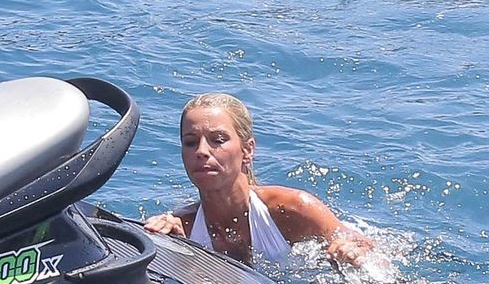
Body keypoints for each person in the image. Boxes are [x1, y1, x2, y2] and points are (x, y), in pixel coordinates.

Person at [142, 92, 376, 266]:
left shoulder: (293, 210)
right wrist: (175, 252)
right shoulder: (183, 229)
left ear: (247, 150)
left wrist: (353, 253)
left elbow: (375, 258)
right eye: (190, 142)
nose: (201, 151)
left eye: (218, 140)